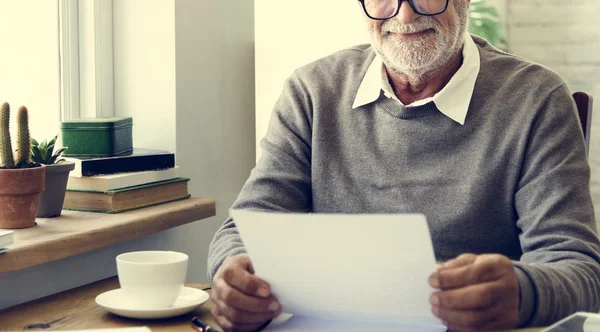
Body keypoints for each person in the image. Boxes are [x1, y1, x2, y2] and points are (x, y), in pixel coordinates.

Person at [207, 0, 600, 331]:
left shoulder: (537, 99)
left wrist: (522, 290)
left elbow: (580, 270)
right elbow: (244, 227)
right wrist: (233, 277)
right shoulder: (311, 91)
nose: (405, 15)